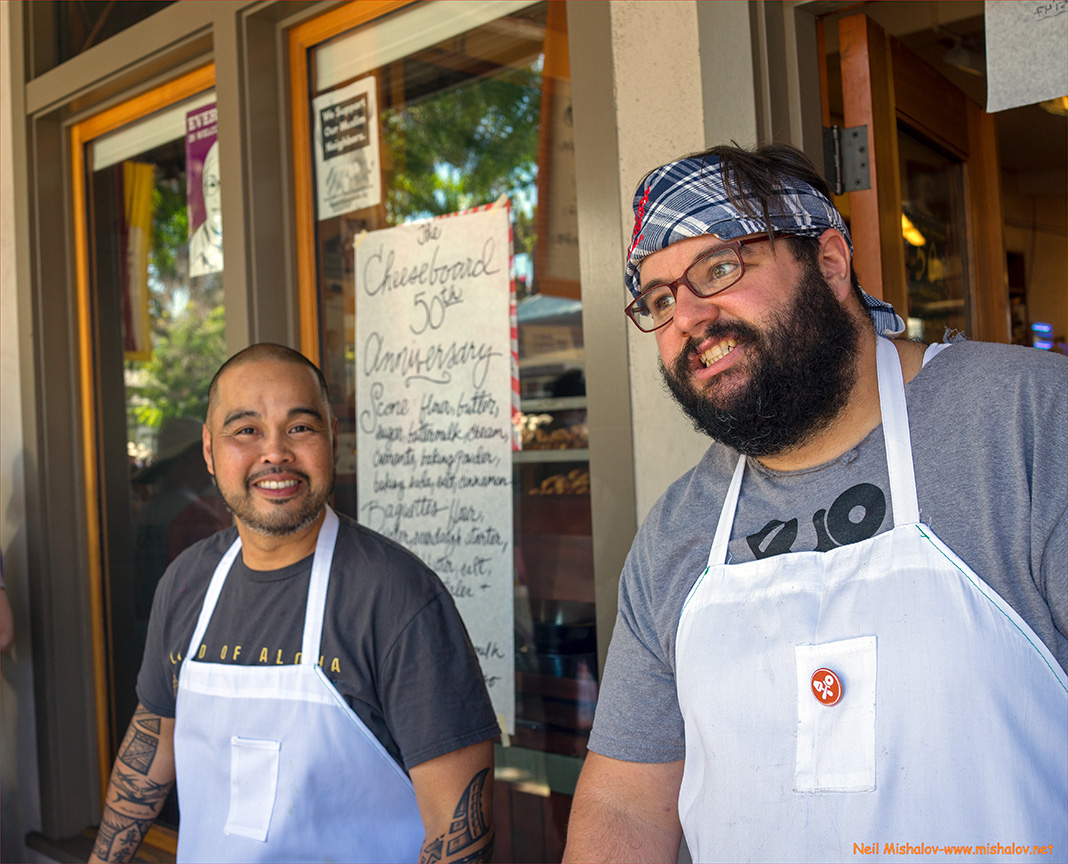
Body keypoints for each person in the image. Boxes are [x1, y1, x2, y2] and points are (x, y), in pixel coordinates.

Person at [563, 144, 1067, 863]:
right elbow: (624, 802)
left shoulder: (1029, 421)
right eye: (660, 299)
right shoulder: (679, 530)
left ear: (830, 263)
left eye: (720, 267)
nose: (688, 317)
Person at [90, 343, 498, 864]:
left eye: (300, 428)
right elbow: (153, 744)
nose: (275, 453)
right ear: (210, 453)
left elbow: (459, 830)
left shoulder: (397, 597)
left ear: (332, 438)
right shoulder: (187, 582)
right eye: (246, 431)